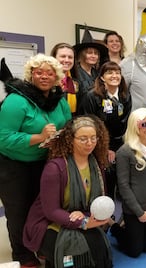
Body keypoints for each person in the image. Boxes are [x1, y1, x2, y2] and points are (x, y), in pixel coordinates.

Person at [0, 54, 71, 267]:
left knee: (43, 208)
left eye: (50, 73)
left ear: (57, 77)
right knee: (18, 212)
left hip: (46, 163)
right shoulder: (16, 100)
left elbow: (67, 127)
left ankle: (39, 245)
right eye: (39, 72)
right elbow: (3, 138)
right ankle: (22, 254)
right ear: (31, 75)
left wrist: (60, 140)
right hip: (14, 166)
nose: (44, 76)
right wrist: (38, 138)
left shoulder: (59, 101)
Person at [23, 115, 113, 268]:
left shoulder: (96, 164)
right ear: (71, 139)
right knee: (76, 255)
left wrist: (87, 216)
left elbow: (99, 198)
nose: (89, 143)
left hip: (82, 215)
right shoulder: (55, 168)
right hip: (49, 222)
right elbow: (51, 211)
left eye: (93, 138)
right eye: (83, 138)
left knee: (100, 251)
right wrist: (82, 222)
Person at [110, 108, 146, 258]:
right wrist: (139, 213)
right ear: (135, 125)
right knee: (134, 251)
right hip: (134, 210)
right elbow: (123, 186)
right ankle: (116, 228)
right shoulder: (125, 152)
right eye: (144, 124)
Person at [79, 61, 132, 200]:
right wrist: (105, 147)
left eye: (117, 72)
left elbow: (124, 123)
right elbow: (89, 123)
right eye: (109, 72)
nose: (114, 76)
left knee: (119, 177)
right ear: (102, 77)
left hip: (118, 144)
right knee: (103, 178)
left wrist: (117, 148)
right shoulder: (92, 96)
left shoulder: (125, 96)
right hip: (96, 144)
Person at [74, 27, 109, 107]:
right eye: (89, 53)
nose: (93, 56)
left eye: (96, 53)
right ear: (82, 54)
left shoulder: (98, 73)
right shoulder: (75, 73)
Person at [50, 43, 79, 115]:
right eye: (63, 56)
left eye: (70, 57)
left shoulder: (76, 82)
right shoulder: (46, 81)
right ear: (54, 58)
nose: (67, 60)